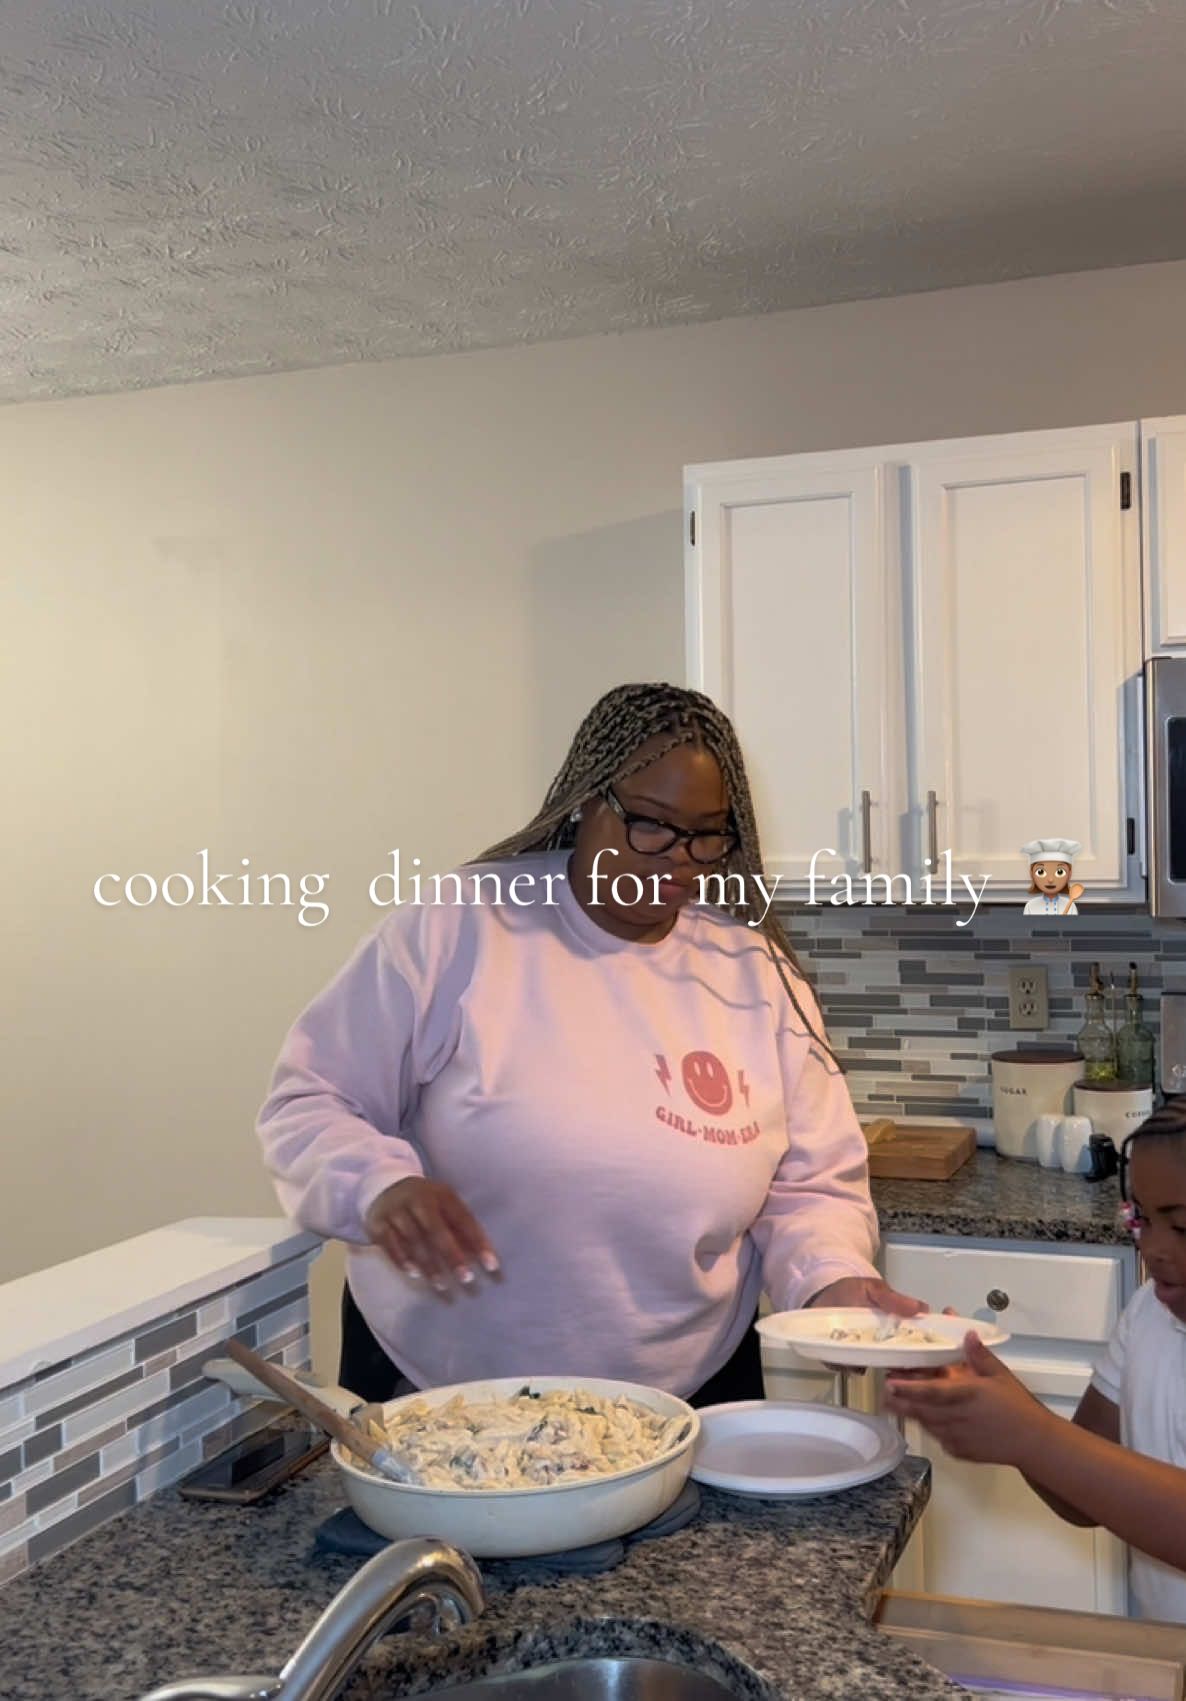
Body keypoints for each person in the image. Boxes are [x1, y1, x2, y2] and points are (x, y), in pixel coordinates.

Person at [256, 682, 924, 1407]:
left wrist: (833, 1277)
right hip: (440, 1384)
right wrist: (378, 1185)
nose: (680, 860)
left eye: (707, 835)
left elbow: (811, 1183)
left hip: (688, 1391)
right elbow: (310, 1098)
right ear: (585, 801)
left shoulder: (754, 975)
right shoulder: (460, 928)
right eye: (652, 825)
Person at [885, 1100, 1186, 1622]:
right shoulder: (1146, 1316)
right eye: (1141, 1218)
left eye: (1181, 1226)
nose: (1153, 1248)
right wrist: (1000, 1398)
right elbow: (1079, 1496)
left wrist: (1029, 1435)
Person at [1021, 837, 1082, 914]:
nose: (1050, 880)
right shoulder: (1030, 906)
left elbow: (1073, 926)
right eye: (1040, 872)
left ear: (1069, 874)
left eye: (1060, 872)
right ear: (1031, 874)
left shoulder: (1070, 906)